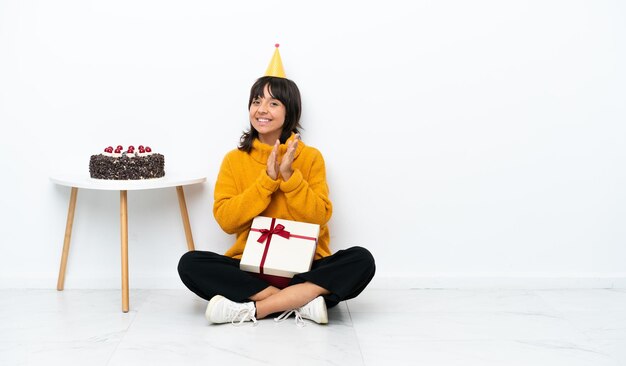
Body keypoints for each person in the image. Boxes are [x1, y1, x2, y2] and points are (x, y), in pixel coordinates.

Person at [177, 45, 375, 326]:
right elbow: (226, 221)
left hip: (306, 266)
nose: (262, 110)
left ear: (289, 110)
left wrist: (289, 178)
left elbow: (320, 217)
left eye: (273, 103)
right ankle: (302, 302)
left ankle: (256, 309)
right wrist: (267, 182)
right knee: (190, 263)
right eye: (256, 101)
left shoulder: (310, 157)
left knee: (361, 260)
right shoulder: (234, 160)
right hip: (252, 268)